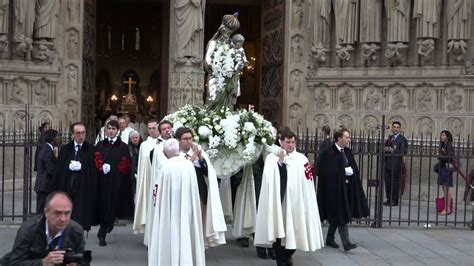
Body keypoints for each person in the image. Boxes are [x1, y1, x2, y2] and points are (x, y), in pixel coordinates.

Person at [255, 129, 324, 265]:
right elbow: (271, 180)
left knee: (294, 236)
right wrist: (280, 163)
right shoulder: (271, 158)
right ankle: (282, 261)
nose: (291, 145)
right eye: (288, 142)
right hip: (280, 205)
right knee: (279, 236)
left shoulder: (301, 159)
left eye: (293, 142)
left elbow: (307, 182)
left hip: (296, 205)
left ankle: (287, 257)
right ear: (281, 142)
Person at [148, 139, 205, 265]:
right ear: (178, 149)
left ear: (163, 153)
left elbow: (157, 192)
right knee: (186, 233)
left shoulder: (165, 168)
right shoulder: (188, 166)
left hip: (169, 210)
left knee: (170, 234)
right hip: (187, 208)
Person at [317, 128, 369, 252]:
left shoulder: (347, 152)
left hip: (346, 188)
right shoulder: (329, 153)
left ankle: (330, 238)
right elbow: (324, 171)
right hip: (334, 190)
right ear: (339, 138)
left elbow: (352, 168)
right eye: (346, 137)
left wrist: (349, 173)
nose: (349, 140)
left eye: (349, 137)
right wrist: (341, 172)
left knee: (338, 215)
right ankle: (346, 243)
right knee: (342, 214)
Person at [2, 192, 86, 265]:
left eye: (67, 213)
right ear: (46, 212)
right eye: (57, 213)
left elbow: (83, 261)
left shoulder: (76, 231)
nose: (63, 219)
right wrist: (42, 263)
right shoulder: (29, 230)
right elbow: (15, 263)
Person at [175, 127, 227, 247]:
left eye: (190, 138)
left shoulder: (199, 152)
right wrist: (190, 160)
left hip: (199, 192)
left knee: (199, 221)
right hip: (183, 194)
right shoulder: (175, 154)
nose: (189, 141)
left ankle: (199, 246)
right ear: (179, 140)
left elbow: (208, 172)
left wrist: (200, 160)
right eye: (185, 139)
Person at [94, 120, 133, 246]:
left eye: (114, 129)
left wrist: (117, 170)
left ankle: (110, 221)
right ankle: (102, 232)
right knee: (104, 205)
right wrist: (101, 167)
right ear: (106, 130)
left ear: (118, 130)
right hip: (103, 181)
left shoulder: (123, 146)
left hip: (116, 181)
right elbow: (96, 159)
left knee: (114, 204)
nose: (111, 131)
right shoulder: (100, 145)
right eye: (109, 128)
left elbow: (126, 164)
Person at [55, 122, 97, 232]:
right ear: (72, 134)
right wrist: (67, 167)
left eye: (83, 133)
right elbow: (58, 170)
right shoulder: (65, 149)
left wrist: (82, 167)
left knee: (80, 218)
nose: (81, 136)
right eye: (78, 133)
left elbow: (94, 170)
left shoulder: (91, 149)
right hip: (68, 188)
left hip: (83, 189)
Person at [133, 119, 161, 241]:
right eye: (149, 128)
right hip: (149, 181)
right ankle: (150, 238)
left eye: (154, 128)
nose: (151, 130)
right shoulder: (144, 145)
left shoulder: (165, 143)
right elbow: (142, 165)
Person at [34, 129, 59, 214]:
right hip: (44, 186)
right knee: (41, 211)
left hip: (44, 186)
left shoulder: (47, 148)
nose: (58, 139)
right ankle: (37, 227)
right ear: (53, 138)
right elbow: (49, 168)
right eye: (57, 137)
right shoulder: (47, 150)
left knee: (44, 210)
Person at [384, 121, 408, 206]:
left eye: (398, 127)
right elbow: (384, 147)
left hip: (396, 164)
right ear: (392, 128)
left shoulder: (402, 139)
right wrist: (385, 148)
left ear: (400, 129)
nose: (396, 129)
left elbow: (403, 152)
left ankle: (394, 200)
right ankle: (388, 199)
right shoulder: (390, 138)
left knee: (395, 183)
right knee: (387, 182)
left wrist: (392, 150)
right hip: (387, 163)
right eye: (394, 127)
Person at [437, 130, 455, 215]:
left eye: (443, 135)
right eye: (441, 135)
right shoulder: (442, 145)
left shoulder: (449, 146)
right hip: (442, 168)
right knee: (444, 189)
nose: (442, 137)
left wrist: (440, 156)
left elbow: (449, 158)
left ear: (447, 137)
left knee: (446, 189)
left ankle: (447, 209)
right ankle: (447, 206)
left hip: (446, 169)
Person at [128, 130, 142, 198]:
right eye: (133, 138)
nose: (135, 139)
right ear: (130, 140)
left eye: (136, 137)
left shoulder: (143, 146)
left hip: (141, 171)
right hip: (131, 174)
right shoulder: (128, 149)